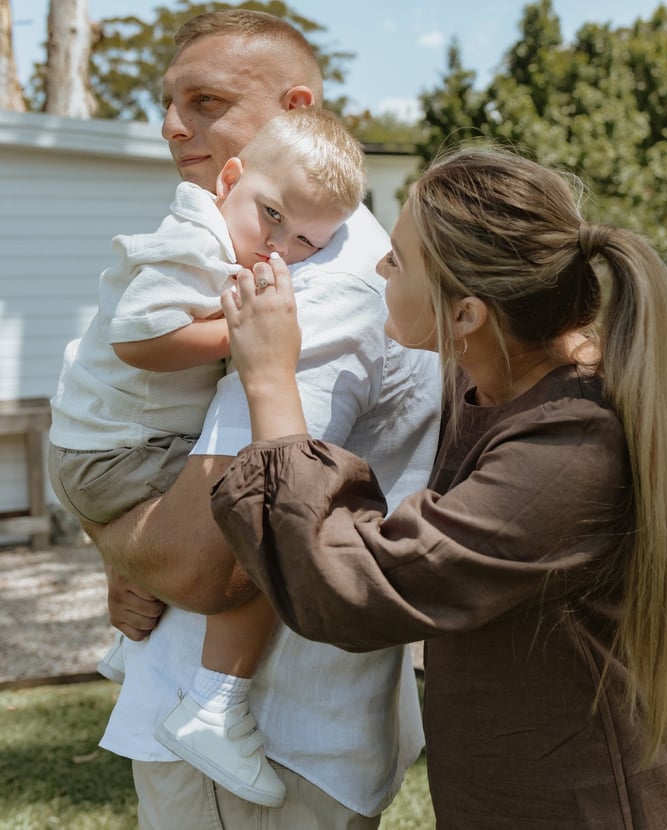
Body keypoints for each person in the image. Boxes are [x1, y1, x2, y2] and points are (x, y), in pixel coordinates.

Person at [210, 144, 667, 829]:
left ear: (466, 316)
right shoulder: (498, 374)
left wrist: (269, 380)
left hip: (609, 809)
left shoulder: (570, 451)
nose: (380, 267)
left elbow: (350, 586)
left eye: (397, 261)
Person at [83, 9, 441, 829]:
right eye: (168, 102)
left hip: (264, 749)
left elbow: (218, 560)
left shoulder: (322, 291)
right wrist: (134, 552)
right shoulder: (283, 257)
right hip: (256, 737)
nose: (175, 126)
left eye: (205, 100)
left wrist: (120, 544)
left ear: (296, 108)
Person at [49, 105, 367, 807]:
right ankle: (214, 705)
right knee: (263, 519)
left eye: (310, 240)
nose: (282, 249)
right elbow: (139, 337)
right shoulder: (195, 236)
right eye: (274, 218)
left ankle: (140, 654)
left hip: (105, 447)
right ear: (232, 179)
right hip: (115, 453)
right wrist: (243, 337)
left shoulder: (242, 239)